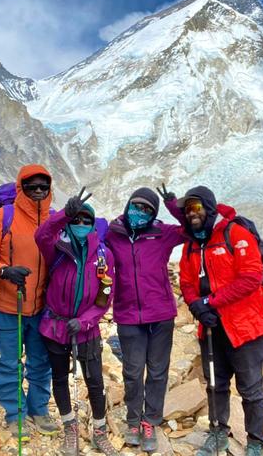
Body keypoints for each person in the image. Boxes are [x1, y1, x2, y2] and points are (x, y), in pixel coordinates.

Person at [178, 185, 263, 456]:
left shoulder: (236, 234)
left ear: (209, 208)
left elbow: (251, 278)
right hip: (210, 328)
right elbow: (186, 283)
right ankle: (218, 433)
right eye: (187, 210)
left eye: (196, 207)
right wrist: (196, 306)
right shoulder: (190, 246)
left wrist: (209, 302)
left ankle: (256, 443)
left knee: (251, 388)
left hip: (244, 327)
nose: (191, 214)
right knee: (214, 384)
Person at [0, 165, 58, 440]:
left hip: (43, 308)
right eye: (31, 186)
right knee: (9, 363)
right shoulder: (3, 217)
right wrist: (4, 271)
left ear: (49, 189)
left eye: (42, 187)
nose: (37, 191)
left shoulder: (54, 219)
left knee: (40, 362)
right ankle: (14, 413)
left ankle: (39, 409)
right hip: (7, 307)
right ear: (20, 188)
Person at [35, 189, 119, 456]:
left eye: (86, 221)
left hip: (86, 330)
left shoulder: (104, 255)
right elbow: (41, 235)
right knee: (60, 378)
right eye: (76, 220)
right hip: (55, 326)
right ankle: (69, 426)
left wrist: (84, 322)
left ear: (93, 225)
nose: (81, 225)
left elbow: (105, 297)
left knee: (94, 381)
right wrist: (63, 214)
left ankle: (99, 430)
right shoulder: (56, 248)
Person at [104, 185, 185, 451]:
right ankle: (132, 421)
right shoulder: (113, 233)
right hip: (128, 314)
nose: (141, 212)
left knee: (158, 372)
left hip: (160, 314)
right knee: (132, 371)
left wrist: (173, 204)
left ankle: (150, 421)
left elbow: (191, 227)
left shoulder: (162, 233)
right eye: (137, 206)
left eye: (147, 209)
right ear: (128, 205)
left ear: (154, 214)